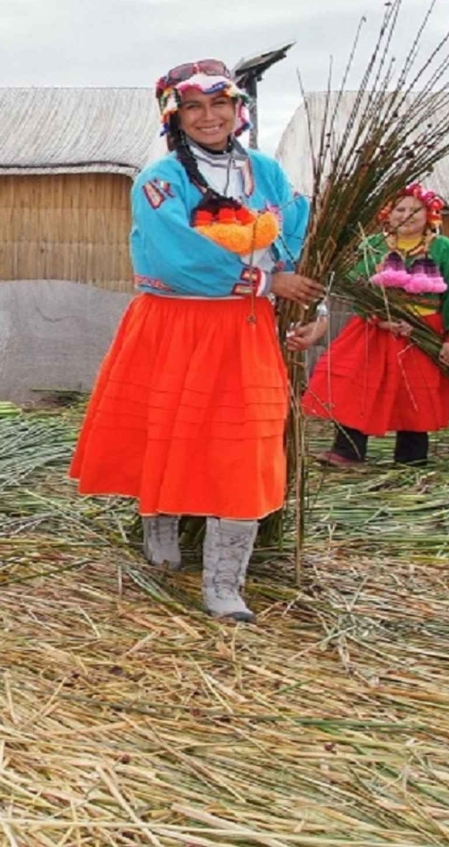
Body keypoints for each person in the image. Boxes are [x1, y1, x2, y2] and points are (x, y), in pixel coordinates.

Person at [69, 59, 320, 622]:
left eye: (220, 103)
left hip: (247, 331)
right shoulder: (159, 181)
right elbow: (173, 257)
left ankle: (225, 584)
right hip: (174, 325)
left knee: (245, 448)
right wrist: (264, 283)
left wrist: (312, 310)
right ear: (175, 117)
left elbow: (296, 248)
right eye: (194, 107)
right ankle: (159, 527)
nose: (209, 117)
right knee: (167, 432)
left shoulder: (267, 175)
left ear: (237, 109)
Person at [293, 184, 449, 466]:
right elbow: (354, 285)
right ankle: (347, 451)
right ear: (388, 214)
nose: (407, 215)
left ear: (429, 214)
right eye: (400, 209)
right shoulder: (373, 246)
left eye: (415, 210)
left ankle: (411, 459)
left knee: (415, 392)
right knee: (358, 385)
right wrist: (379, 317)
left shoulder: (445, 249)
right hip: (375, 329)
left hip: (422, 334)